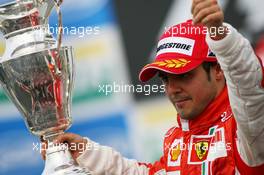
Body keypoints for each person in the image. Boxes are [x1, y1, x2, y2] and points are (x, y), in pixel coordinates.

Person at [42, 0, 264, 174]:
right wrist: (86, 153)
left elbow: (249, 89)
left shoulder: (246, 132)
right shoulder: (177, 139)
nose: (172, 89)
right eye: (165, 79)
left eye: (183, 75)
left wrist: (220, 37)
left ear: (217, 70)